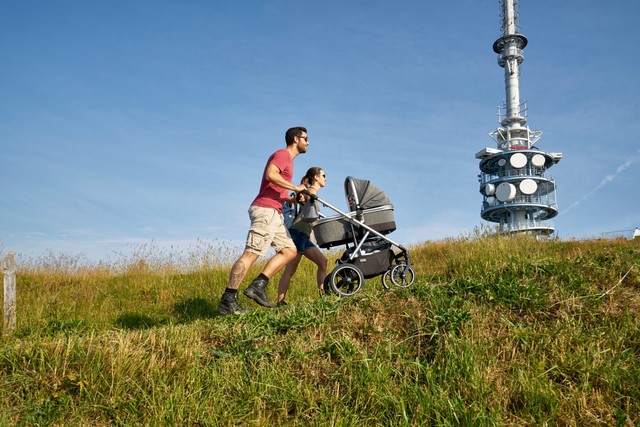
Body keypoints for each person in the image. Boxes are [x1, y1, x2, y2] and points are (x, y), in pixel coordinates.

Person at [217, 127, 310, 315]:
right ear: (295, 139)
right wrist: (296, 187)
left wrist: (292, 198)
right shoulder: (283, 155)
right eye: (305, 138)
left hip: (275, 212)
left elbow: (275, 188)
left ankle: (258, 285)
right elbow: (271, 175)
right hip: (265, 210)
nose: (308, 142)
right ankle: (228, 299)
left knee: (290, 251)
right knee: (251, 253)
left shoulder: (289, 161)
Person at [276, 167, 329, 306]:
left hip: (304, 235)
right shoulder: (310, 192)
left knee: (323, 262)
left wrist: (312, 240)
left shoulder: (313, 193)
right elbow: (302, 197)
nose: (326, 178)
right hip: (297, 233)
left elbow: (309, 218)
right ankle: (280, 302)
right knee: (291, 269)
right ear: (316, 177)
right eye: (324, 175)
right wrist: (301, 195)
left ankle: (323, 296)